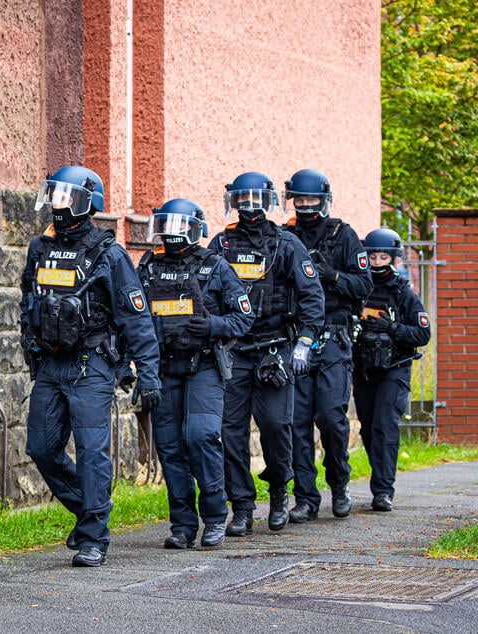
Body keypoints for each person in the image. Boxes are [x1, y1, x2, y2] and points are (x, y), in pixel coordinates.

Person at [20, 165, 162, 567]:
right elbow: (27, 302)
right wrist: (31, 348)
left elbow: (137, 318)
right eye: (55, 195)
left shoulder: (109, 254)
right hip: (51, 363)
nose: (58, 204)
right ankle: (89, 511)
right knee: (42, 448)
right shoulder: (40, 248)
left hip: (91, 364)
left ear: (86, 203)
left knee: (91, 451)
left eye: (67, 196)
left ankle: (94, 536)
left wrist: (147, 373)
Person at [207, 171, 324, 535]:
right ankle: (241, 506)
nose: (249, 206)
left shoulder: (285, 244)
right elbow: (203, 290)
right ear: (234, 202)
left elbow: (312, 297)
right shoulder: (221, 245)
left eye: (255, 199)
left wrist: (305, 342)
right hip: (234, 352)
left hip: (274, 349)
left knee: (275, 426)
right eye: (242, 200)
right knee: (231, 430)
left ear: (268, 200)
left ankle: (278, 493)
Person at [136, 199, 254, 549]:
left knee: (201, 437)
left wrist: (213, 325)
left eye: (179, 226)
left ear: (194, 229)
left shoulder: (215, 266)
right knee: (170, 447)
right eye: (166, 225)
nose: (172, 233)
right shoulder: (149, 266)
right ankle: (183, 525)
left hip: (203, 365)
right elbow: (134, 317)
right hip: (163, 367)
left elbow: (244, 317)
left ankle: (215, 517)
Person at [283, 169, 372, 523]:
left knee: (331, 418)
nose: (306, 207)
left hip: (333, 337)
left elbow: (364, 285)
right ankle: (305, 496)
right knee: (297, 421)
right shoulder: (285, 236)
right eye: (300, 200)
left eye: (311, 200)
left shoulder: (343, 235)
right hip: (295, 336)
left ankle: (339, 484)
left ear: (324, 200)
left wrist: (331, 275)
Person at [353, 228, 431, 512]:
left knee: (385, 427)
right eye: (372, 256)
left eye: (383, 256)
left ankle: (383, 490)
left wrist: (393, 328)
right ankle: (380, 477)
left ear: (394, 259)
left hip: (394, 371)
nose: (376, 262)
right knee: (369, 431)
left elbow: (423, 334)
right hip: (363, 371)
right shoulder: (358, 290)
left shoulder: (404, 294)